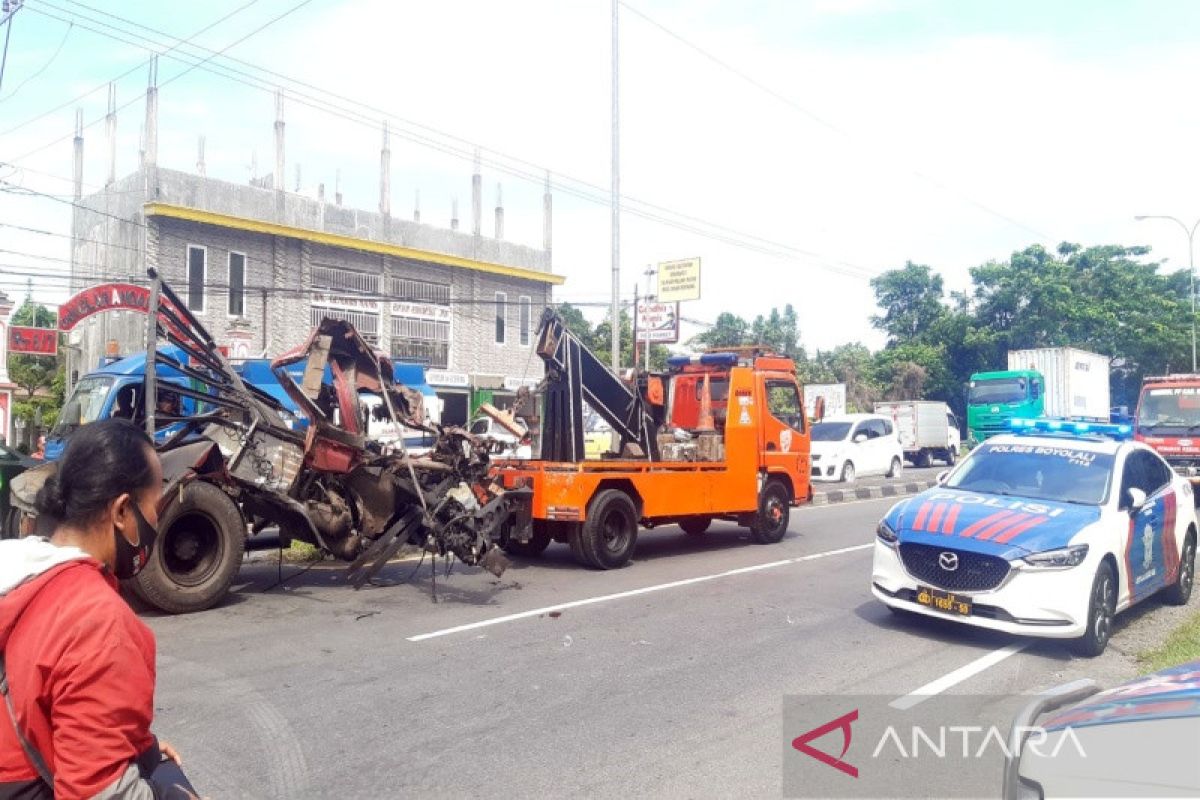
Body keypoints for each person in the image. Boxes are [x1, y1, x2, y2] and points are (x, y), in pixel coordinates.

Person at [0, 418, 195, 799]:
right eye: (154, 505)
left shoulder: (24, 572)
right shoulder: (97, 620)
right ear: (122, 511)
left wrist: (143, 750)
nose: (157, 521)